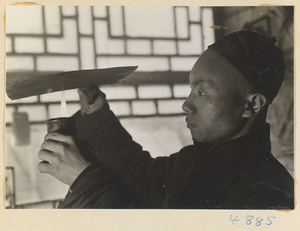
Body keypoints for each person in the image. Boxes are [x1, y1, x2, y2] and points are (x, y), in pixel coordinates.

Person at [37, 31, 294, 209]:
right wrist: (97, 117)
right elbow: (140, 175)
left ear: (252, 105)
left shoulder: (267, 191)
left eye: (202, 91)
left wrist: (88, 182)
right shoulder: (195, 160)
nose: (186, 104)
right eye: (191, 89)